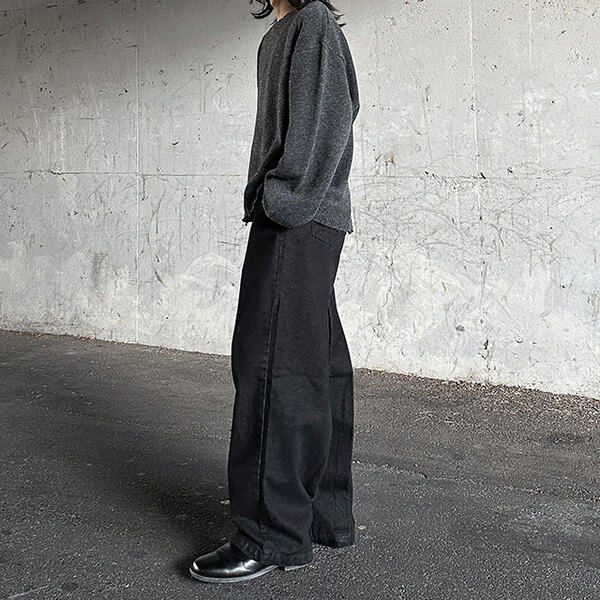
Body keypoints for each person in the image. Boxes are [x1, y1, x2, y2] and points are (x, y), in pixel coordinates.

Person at [189, 0, 360, 584]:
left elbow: (330, 119)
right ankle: (318, 515)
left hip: (297, 218)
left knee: (271, 368)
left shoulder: (313, 24)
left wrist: (282, 198)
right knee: (315, 368)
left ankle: (268, 536)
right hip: (302, 217)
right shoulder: (280, 35)